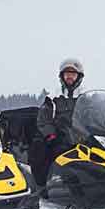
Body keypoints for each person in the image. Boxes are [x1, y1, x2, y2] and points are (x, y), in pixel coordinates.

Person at [30, 58, 85, 186]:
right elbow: (43, 120)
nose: (69, 77)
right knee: (41, 149)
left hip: (80, 136)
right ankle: (43, 185)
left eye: (73, 74)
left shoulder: (85, 96)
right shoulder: (53, 97)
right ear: (62, 76)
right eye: (67, 74)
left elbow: (94, 115)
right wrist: (51, 134)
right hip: (59, 136)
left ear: (79, 77)